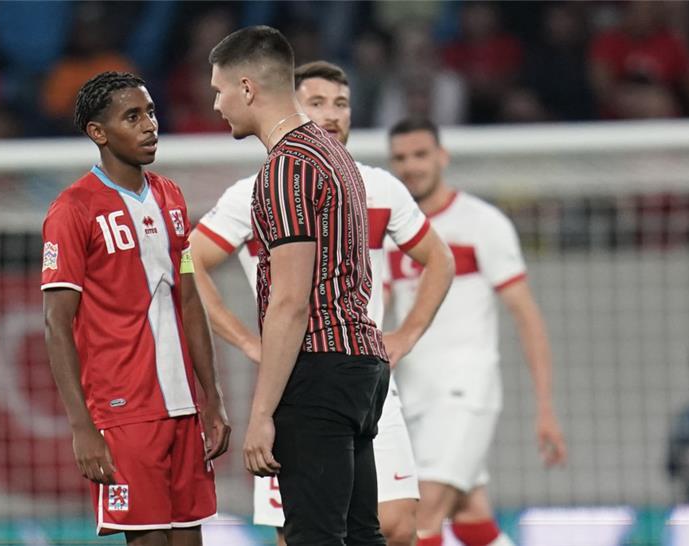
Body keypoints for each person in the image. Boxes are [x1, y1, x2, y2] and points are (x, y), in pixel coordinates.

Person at [191, 60, 454, 546]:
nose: (332, 115)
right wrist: (249, 342)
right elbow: (190, 263)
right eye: (318, 103)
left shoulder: (371, 183)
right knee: (317, 531)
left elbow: (439, 259)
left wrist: (406, 335)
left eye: (342, 103)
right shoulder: (257, 189)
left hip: (348, 365)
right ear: (294, 104)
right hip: (303, 365)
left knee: (386, 527)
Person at [208, 26, 402, 546]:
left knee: (314, 537)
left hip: (318, 367)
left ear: (247, 88)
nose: (217, 104)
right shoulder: (334, 155)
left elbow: (292, 302)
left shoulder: (286, 168)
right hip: (362, 363)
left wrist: (262, 413)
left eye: (219, 90)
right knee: (362, 536)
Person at [41, 71, 231, 545]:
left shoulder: (170, 196)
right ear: (98, 133)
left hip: (183, 405)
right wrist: (83, 427)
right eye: (133, 116)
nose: (149, 125)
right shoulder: (73, 210)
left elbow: (188, 299)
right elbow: (56, 322)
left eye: (150, 112)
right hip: (125, 411)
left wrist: (212, 398)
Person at [385, 118, 568, 546]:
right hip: (411, 394)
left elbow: (527, 315)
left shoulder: (482, 223)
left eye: (420, 155)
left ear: (441, 157)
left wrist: (545, 406)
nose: (411, 166)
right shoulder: (394, 229)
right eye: (400, 158)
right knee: (471, 516)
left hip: (465, 393)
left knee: (418, 520)